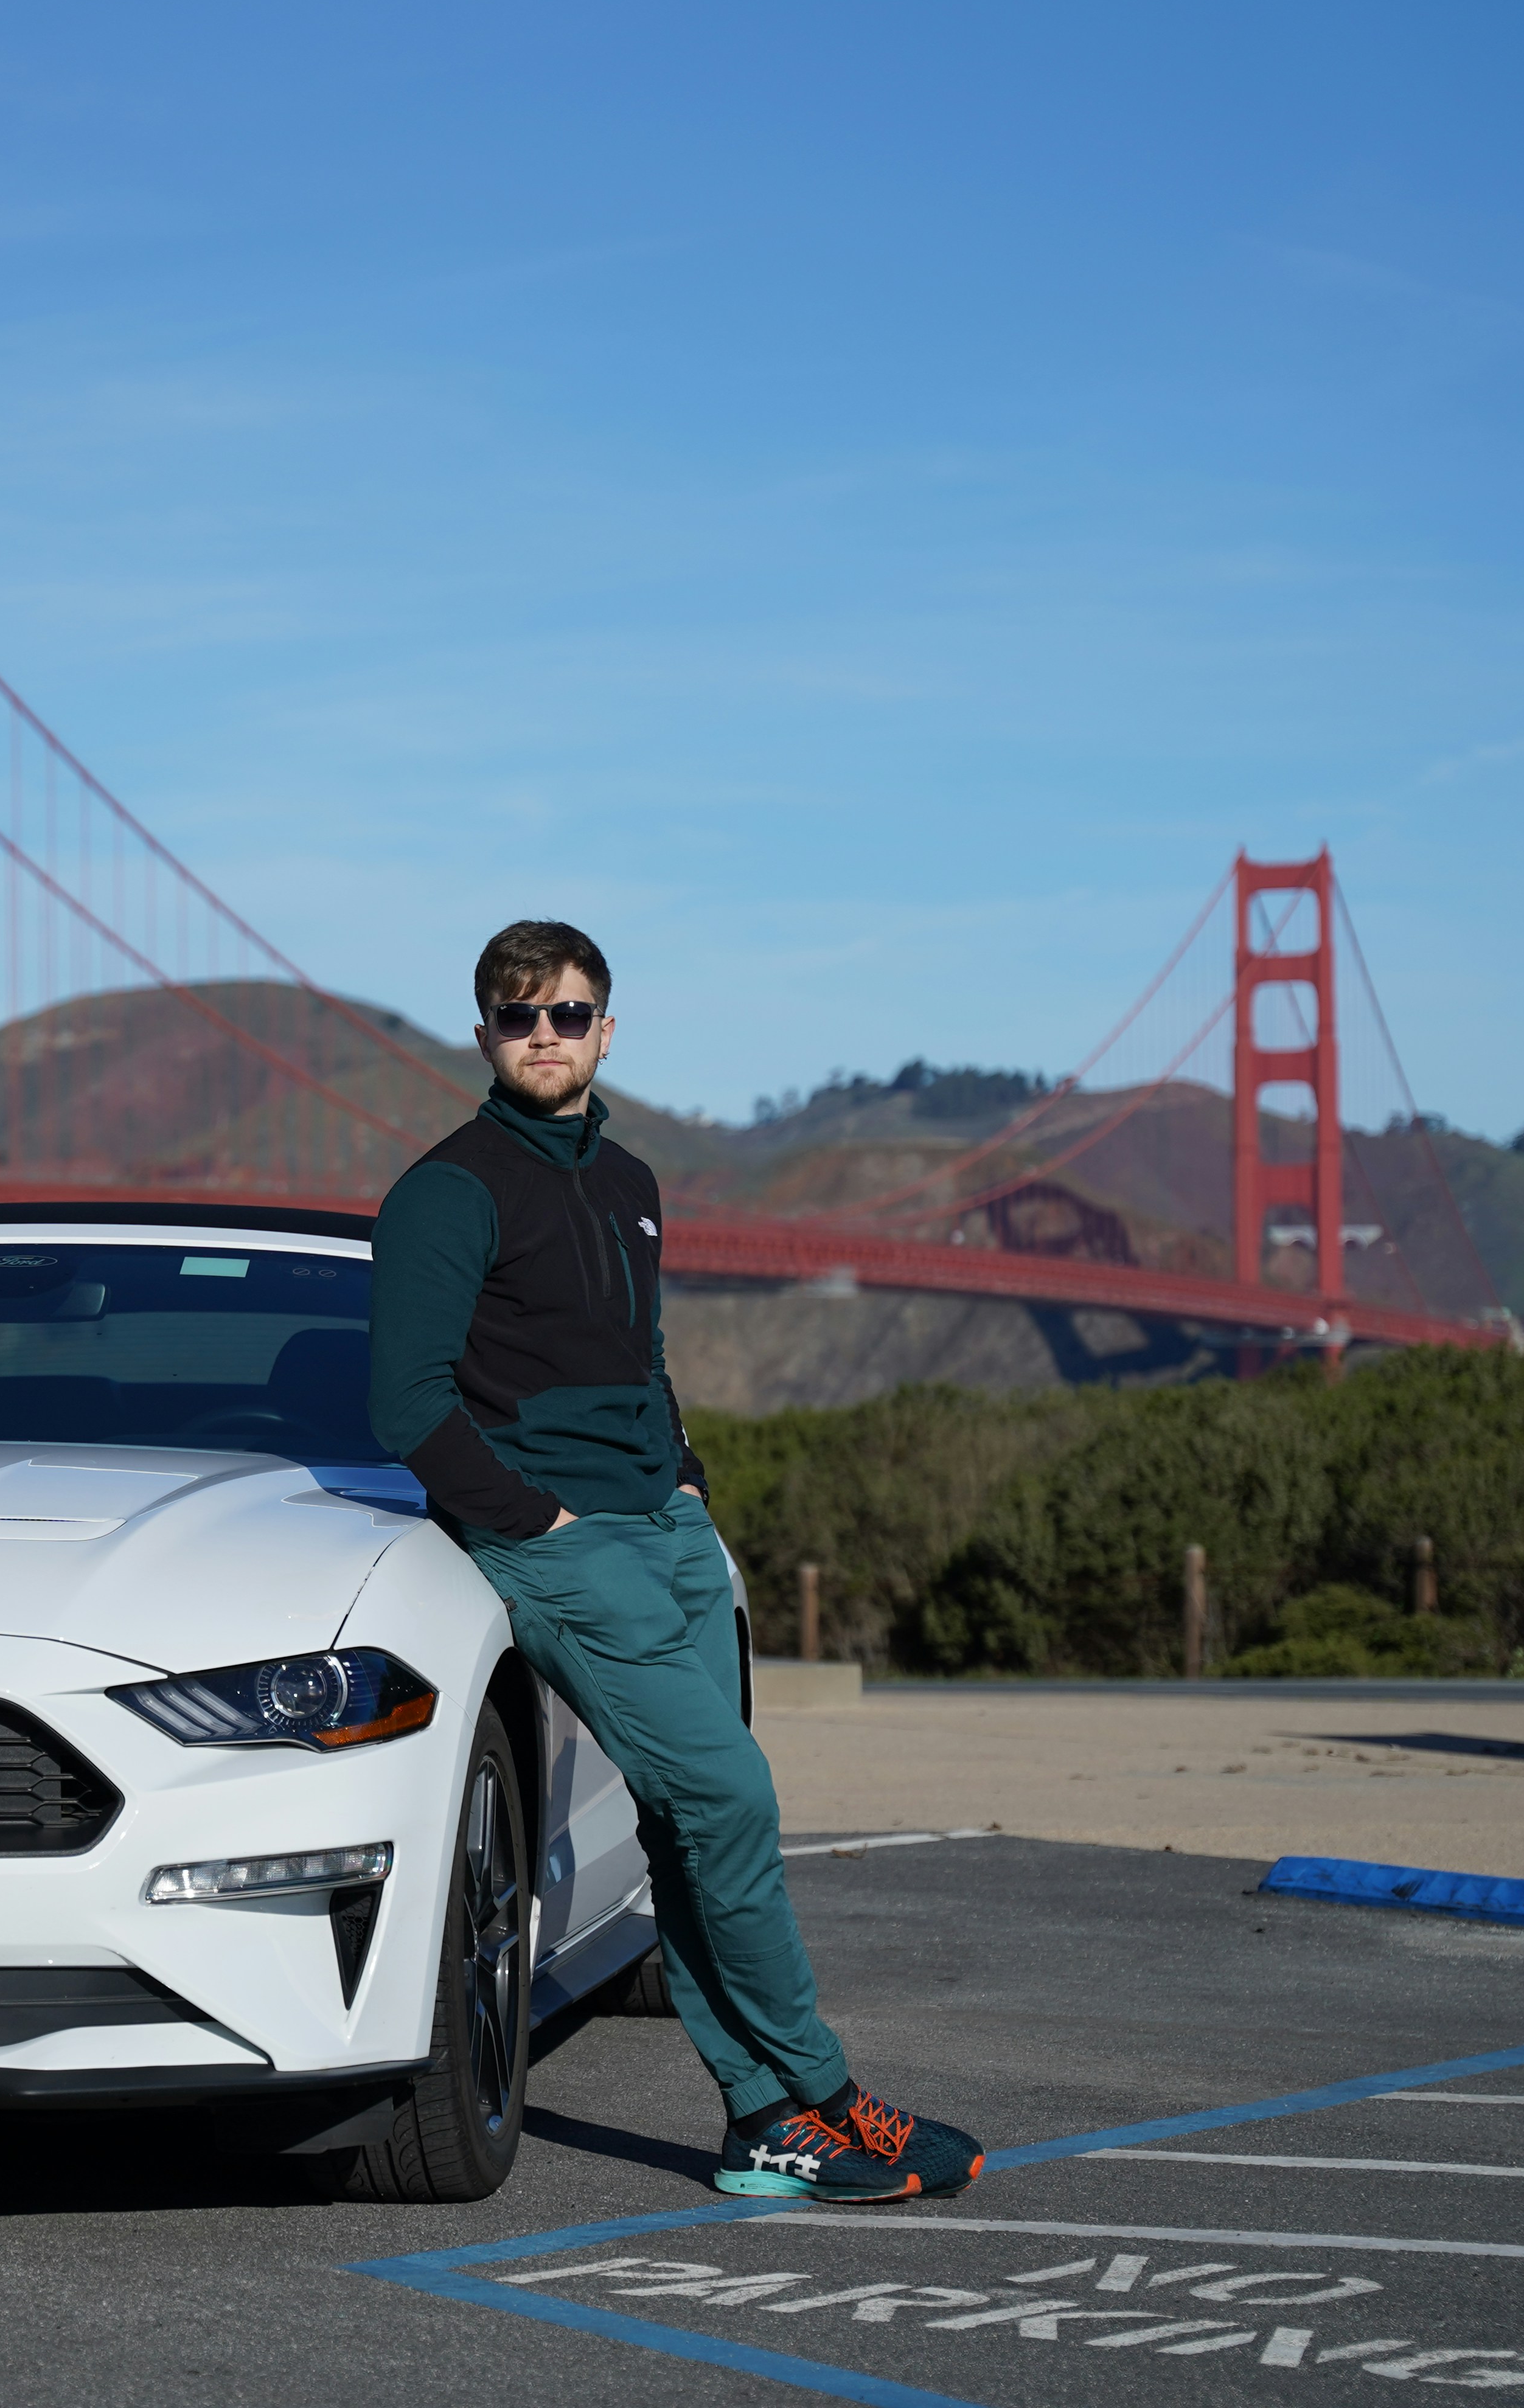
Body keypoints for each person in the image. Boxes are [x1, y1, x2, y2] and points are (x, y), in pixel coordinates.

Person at [367, 918, 981, 2205]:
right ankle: (828, 2090)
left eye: (570, 1012)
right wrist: (533, 1521)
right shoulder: (446, 1188)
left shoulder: (635, 1178)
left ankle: (759, 2120)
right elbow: (408, 1405)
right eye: (521, 1015)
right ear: (484, 1032)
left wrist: (689, 1485)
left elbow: (643, 1360)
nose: (547, 1034)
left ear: (608, 1025)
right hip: (563, 1550)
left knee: (690, 1823)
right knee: (736, 1800)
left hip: (669, 1533)